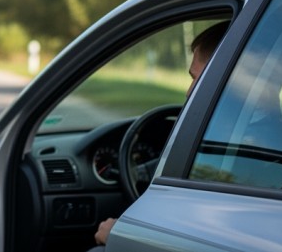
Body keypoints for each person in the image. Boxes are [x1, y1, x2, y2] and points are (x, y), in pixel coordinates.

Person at [91, 21, 230, 250]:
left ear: (227, 77)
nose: (189, 91)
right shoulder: (271, 140)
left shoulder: (231, 148)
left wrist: (121, 234)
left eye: (199, 79)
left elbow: (186, 234)